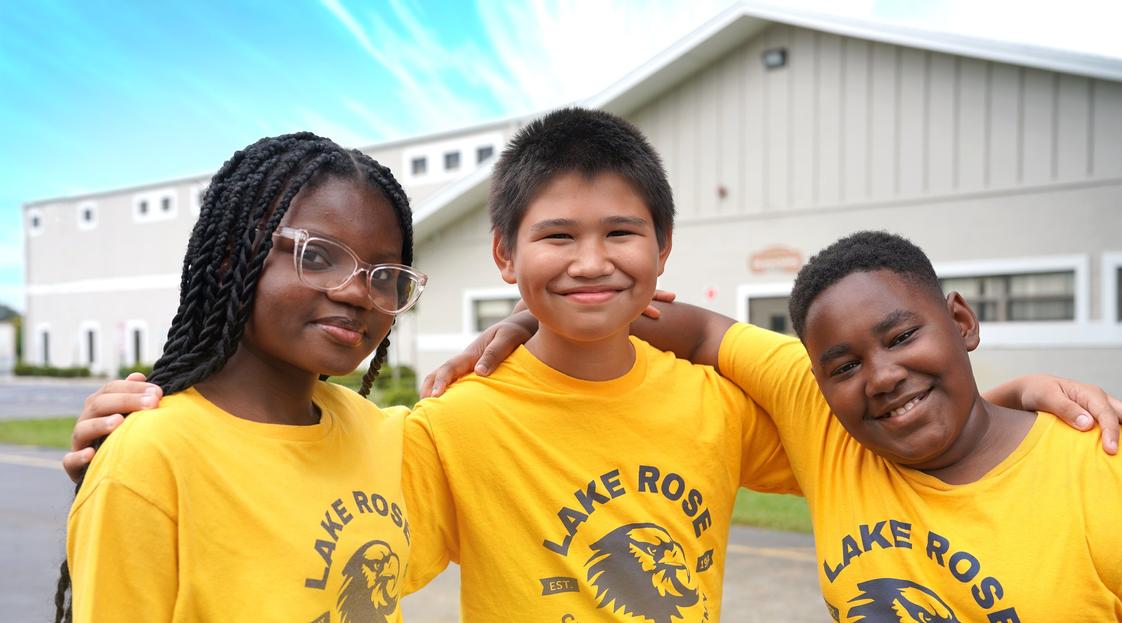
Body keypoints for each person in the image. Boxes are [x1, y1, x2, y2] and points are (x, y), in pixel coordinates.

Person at [65, 111, 1121, 621]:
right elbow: (287, 490)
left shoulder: (723, 402)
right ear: (503, 257)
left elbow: (875, 421)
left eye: (622, 233)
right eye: (555, 235)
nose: (589, 260)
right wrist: (142, 445)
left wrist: (1016, 395)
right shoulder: (446, 420)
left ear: (661, 253)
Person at [639, 231, 1122, 619]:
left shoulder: (1100, 473)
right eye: (845, 367)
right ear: (818, 382)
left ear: (961, 322)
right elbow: (703, 333)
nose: (882, 377)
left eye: (903, 336)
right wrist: (593, 303)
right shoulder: (820, 417)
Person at [58, 132, 429, 622]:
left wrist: (532, 319)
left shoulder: (383, 434)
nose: (359, 293)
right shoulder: (153, 455)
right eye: (318, 257)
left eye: (383, 275)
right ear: (235, 254)